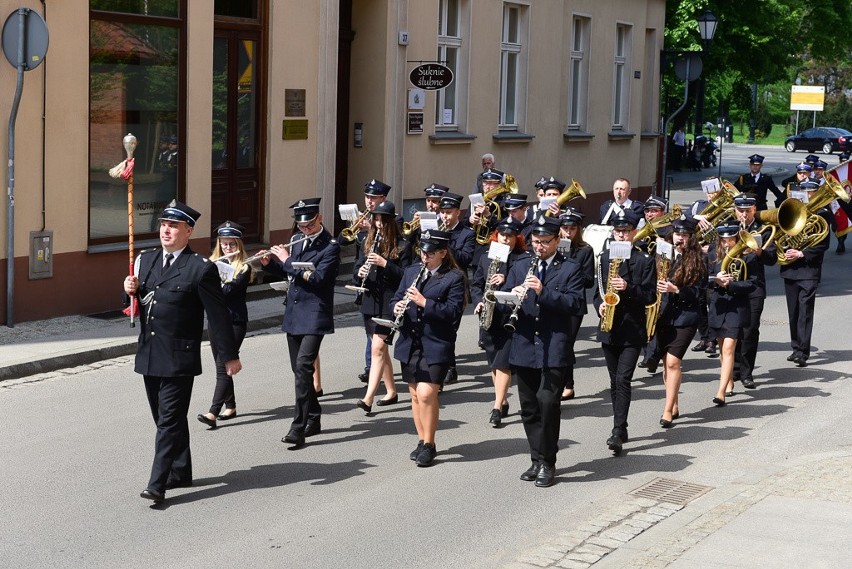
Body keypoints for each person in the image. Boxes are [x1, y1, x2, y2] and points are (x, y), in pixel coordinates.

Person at [122, 200, 241, 504]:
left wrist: (229, 355)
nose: (166, 230)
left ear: (188, 231)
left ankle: (157, 483)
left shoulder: (200, 268)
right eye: (163, 224)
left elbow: (218, 315)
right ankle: (181, 469)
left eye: (174, 226)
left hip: (178, 357)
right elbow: (140, 304)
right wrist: (128, 289)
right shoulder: (145, 261)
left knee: (169, 422)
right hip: (149, 352)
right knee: (165, 417)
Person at [504, 216, 585, 487]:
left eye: (544, 242)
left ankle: (548, 462)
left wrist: (544, 292)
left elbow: (575, 304)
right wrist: (510, 295)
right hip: (525, 344)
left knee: (548, 404)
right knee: (528, 407)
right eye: (535, 242)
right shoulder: (519, 265)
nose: (538, 247)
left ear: (556, 241)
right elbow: (503, 296)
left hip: (553, 347)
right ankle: (536, 458)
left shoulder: (570, 269)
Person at [261, 198, 340, 448]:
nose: (304, 229)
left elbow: (316, 278)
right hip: (294, 313)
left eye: (309, 225)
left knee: (305, 367)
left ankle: (298, 428)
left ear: (320, 219)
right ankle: (314, 417)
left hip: (315, 314)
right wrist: (270, 264)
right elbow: (289, 273)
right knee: (299, 371)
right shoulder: (296, 241)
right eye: (301, 225)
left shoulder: (331, 246)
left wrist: (285, 260)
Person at [390, 230, 466, 467]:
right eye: (422, 252)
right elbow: (395, 298)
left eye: (431, 253)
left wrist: (424, 302)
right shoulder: (412, 271)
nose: (425, 257)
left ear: (443, 253)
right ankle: (421, 439)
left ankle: (430, 443)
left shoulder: (454, 277)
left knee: (426, 393)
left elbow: (453, 313)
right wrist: (396, 307)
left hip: (436, 343)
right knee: (414, 395)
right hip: (410, 341)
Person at [593, 209, 656, 454]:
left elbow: (650, 296)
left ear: (633, 233)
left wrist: (628, 287)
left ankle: (618, 429)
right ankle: (621, 425)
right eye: (617, 231)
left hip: (631, 328)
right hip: (609, 328)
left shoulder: (643, 260)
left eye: (625, 231)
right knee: (613, 381)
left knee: (623, 379)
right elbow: (596, 290)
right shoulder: (605, 257)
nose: (620, 235)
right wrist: (599, 305)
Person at [354, 200, 412, 413]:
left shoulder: (403, 245)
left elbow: (407, 276)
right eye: (375, 219)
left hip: (390, 301)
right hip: (370, 300)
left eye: (382, 220)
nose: (378, 224)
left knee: (378, 347)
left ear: (390, 222)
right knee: (380, 349)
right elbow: (356, 268)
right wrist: (360, 272)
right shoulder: (368, 242)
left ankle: (368, 398)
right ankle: (391, 391)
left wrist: (385, 263)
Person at [470, 218, 529, 427]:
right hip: (488, 314)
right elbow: (476, 284)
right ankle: (502, 400)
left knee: (503, 363)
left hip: (510, 316)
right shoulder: (486, 257)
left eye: (510, 236)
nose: (506, 239)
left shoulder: (523, 258)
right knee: (494, 363)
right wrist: (478, 302)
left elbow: (525, 284)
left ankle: (496, 407)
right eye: (503, 235)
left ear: (517, 238)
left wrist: (506, 282)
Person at [197, 221, 253, 429]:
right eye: (224, 244)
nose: (227, 248)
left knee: (223, 366)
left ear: (238, 245)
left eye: (232, 244)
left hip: (235, 321)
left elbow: (229, 292)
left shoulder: (244, 267)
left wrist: (218, 278)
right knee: (220, 365)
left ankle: (213, 412)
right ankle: (231, 405)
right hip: (215, 321)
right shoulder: (211, 263)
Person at [654, 218, 706, 427]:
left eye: (684, 235)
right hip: (664, 315)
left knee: (674, 362)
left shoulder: (699, 259)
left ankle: (667, 411)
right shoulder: (662, 254)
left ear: (691, 238)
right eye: (677, 234)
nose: (680, 238)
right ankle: (673, 402)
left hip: (686, 317)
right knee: (666, 365)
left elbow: (699, 294)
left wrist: (676, 289)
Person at [779, 180, 832, 367]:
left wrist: (802, 253)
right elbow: (781, 235)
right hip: (790, 270)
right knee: (793, 312)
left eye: (811, 192)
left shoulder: (822, 215)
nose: (808, 195)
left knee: (805, 312)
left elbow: (823, 244)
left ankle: (803, 351)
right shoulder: (792, 210)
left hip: (809, 271)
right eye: (805, 192)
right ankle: (795, 348)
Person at [707, 222, 758, 406]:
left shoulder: (748, 257)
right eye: (724, 240)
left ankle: (720, 392)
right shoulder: (713, 255)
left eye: (730, 239)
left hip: (737, 307)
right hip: (719, 305)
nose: (727, 244)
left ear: (737, 238)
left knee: (729, 348)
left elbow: (753, 284)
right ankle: (728, 380)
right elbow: (705, 278)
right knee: (722, 348)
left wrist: (731, 284)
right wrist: (716, 280)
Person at [732, 193, 777, 389]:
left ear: (754, 210)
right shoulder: (729, 228)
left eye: (747, 211)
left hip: (755, 287)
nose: (743, 214)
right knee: (733, 330)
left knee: (750, 330)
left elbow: (772, 258)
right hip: (733, 286)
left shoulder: (764, 229)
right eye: (740, 211)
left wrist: (760, 251)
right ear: (735, 211)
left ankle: (746, 372)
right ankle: (732, 369)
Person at [556, 208, 595, 401]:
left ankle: (567, 384)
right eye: (564, 228)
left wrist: (570, 267)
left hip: (574, 304)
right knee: (559, 343)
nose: (568, 232)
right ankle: (565, 384)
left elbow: (588, 280)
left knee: (566, 344)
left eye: (572, 228)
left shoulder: (585, 250)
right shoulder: (553, 246)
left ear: (578, 229)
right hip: (555, 301)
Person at [437, 192, 475, 385]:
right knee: (438, 327)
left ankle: (449, 367)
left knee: (450, 329)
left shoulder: (467, 234)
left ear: (458, 212)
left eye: (448, 212)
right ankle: (442, 365)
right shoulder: (435, 229)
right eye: (442, 212)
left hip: (457, 287)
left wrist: (446, 242)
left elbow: (466, 259)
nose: (444, 216)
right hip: (436, 285)